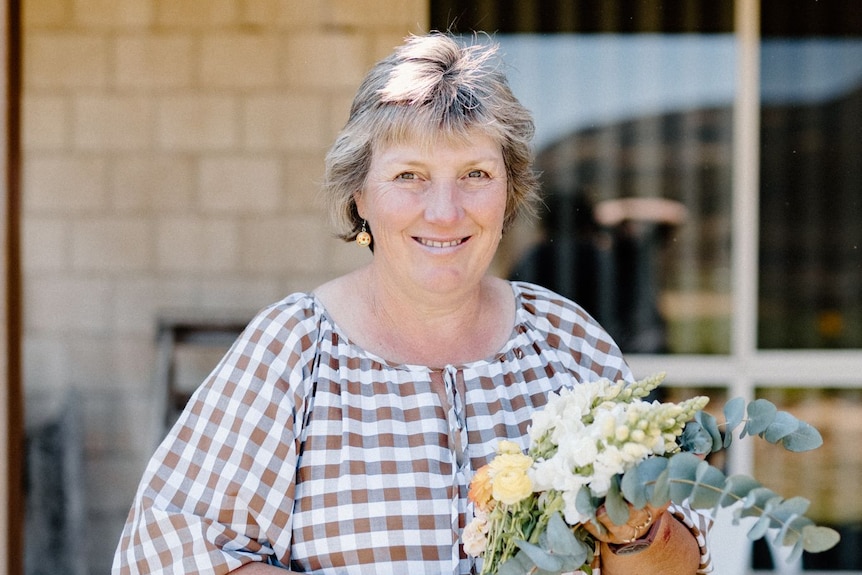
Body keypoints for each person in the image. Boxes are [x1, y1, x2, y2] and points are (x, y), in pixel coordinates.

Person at [112, 33, 710, 575]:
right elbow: (163, 555)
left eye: (475, 174)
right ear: (359, 195)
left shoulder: (565, 340)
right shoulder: (295, 350)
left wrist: (634, 533)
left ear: (508, 194)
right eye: (409, 176)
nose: (445, 211)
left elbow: (682, 563)